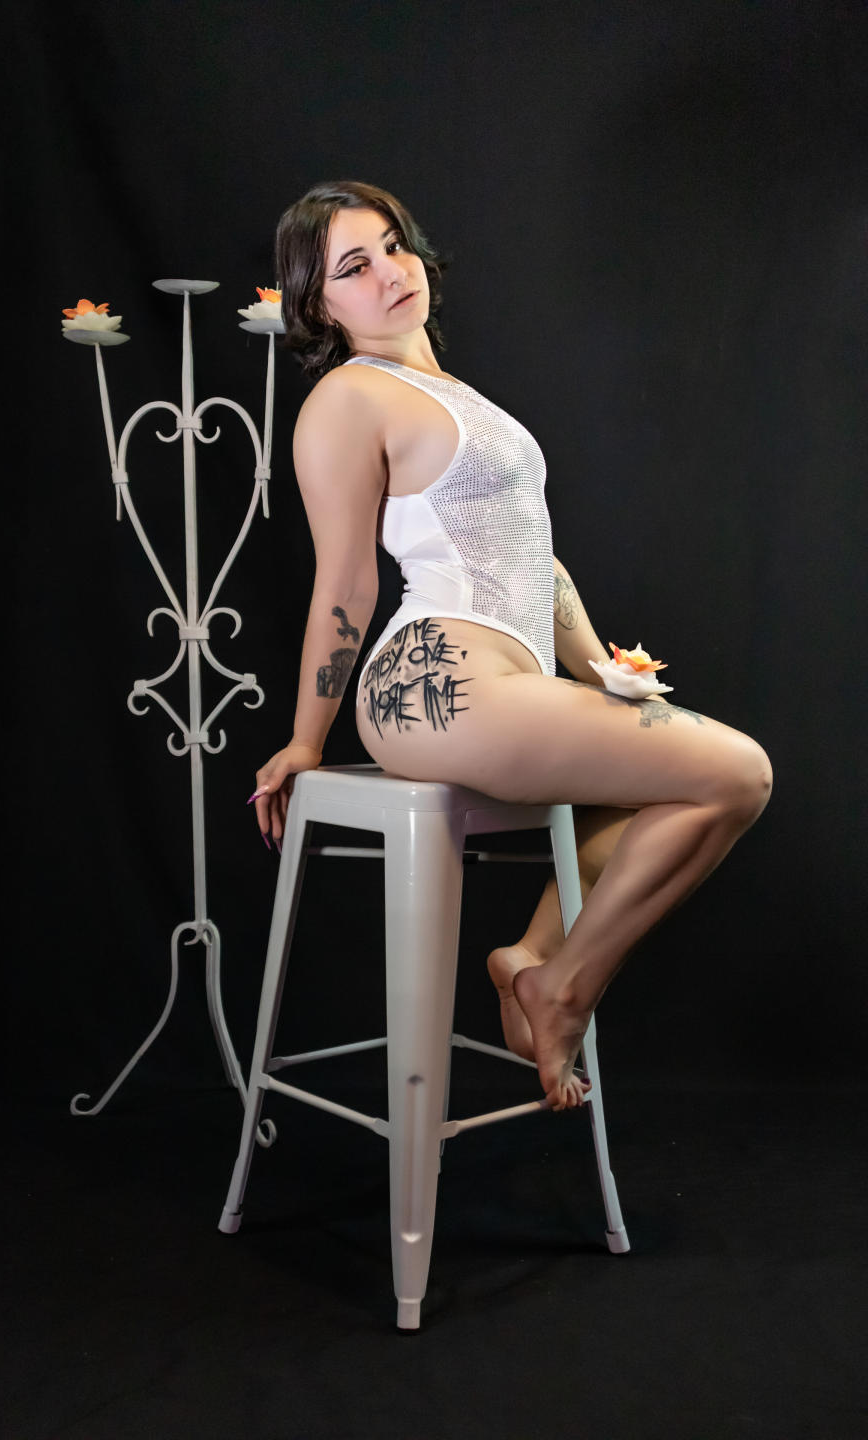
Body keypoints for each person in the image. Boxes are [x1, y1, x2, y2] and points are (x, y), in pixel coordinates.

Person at [249, 180, 772, 1112]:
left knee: (697, 783)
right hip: (434, 682)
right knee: (737, 772)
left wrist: (603, 670)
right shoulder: (346, 397)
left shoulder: (455, 396)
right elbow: (347, 583)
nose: (390, 272)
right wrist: (305, 739)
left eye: (394, 246)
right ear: (319, 307)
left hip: (510, 681)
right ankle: (562, 990)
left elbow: (536, 557)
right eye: (354, 267)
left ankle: (532, 958)